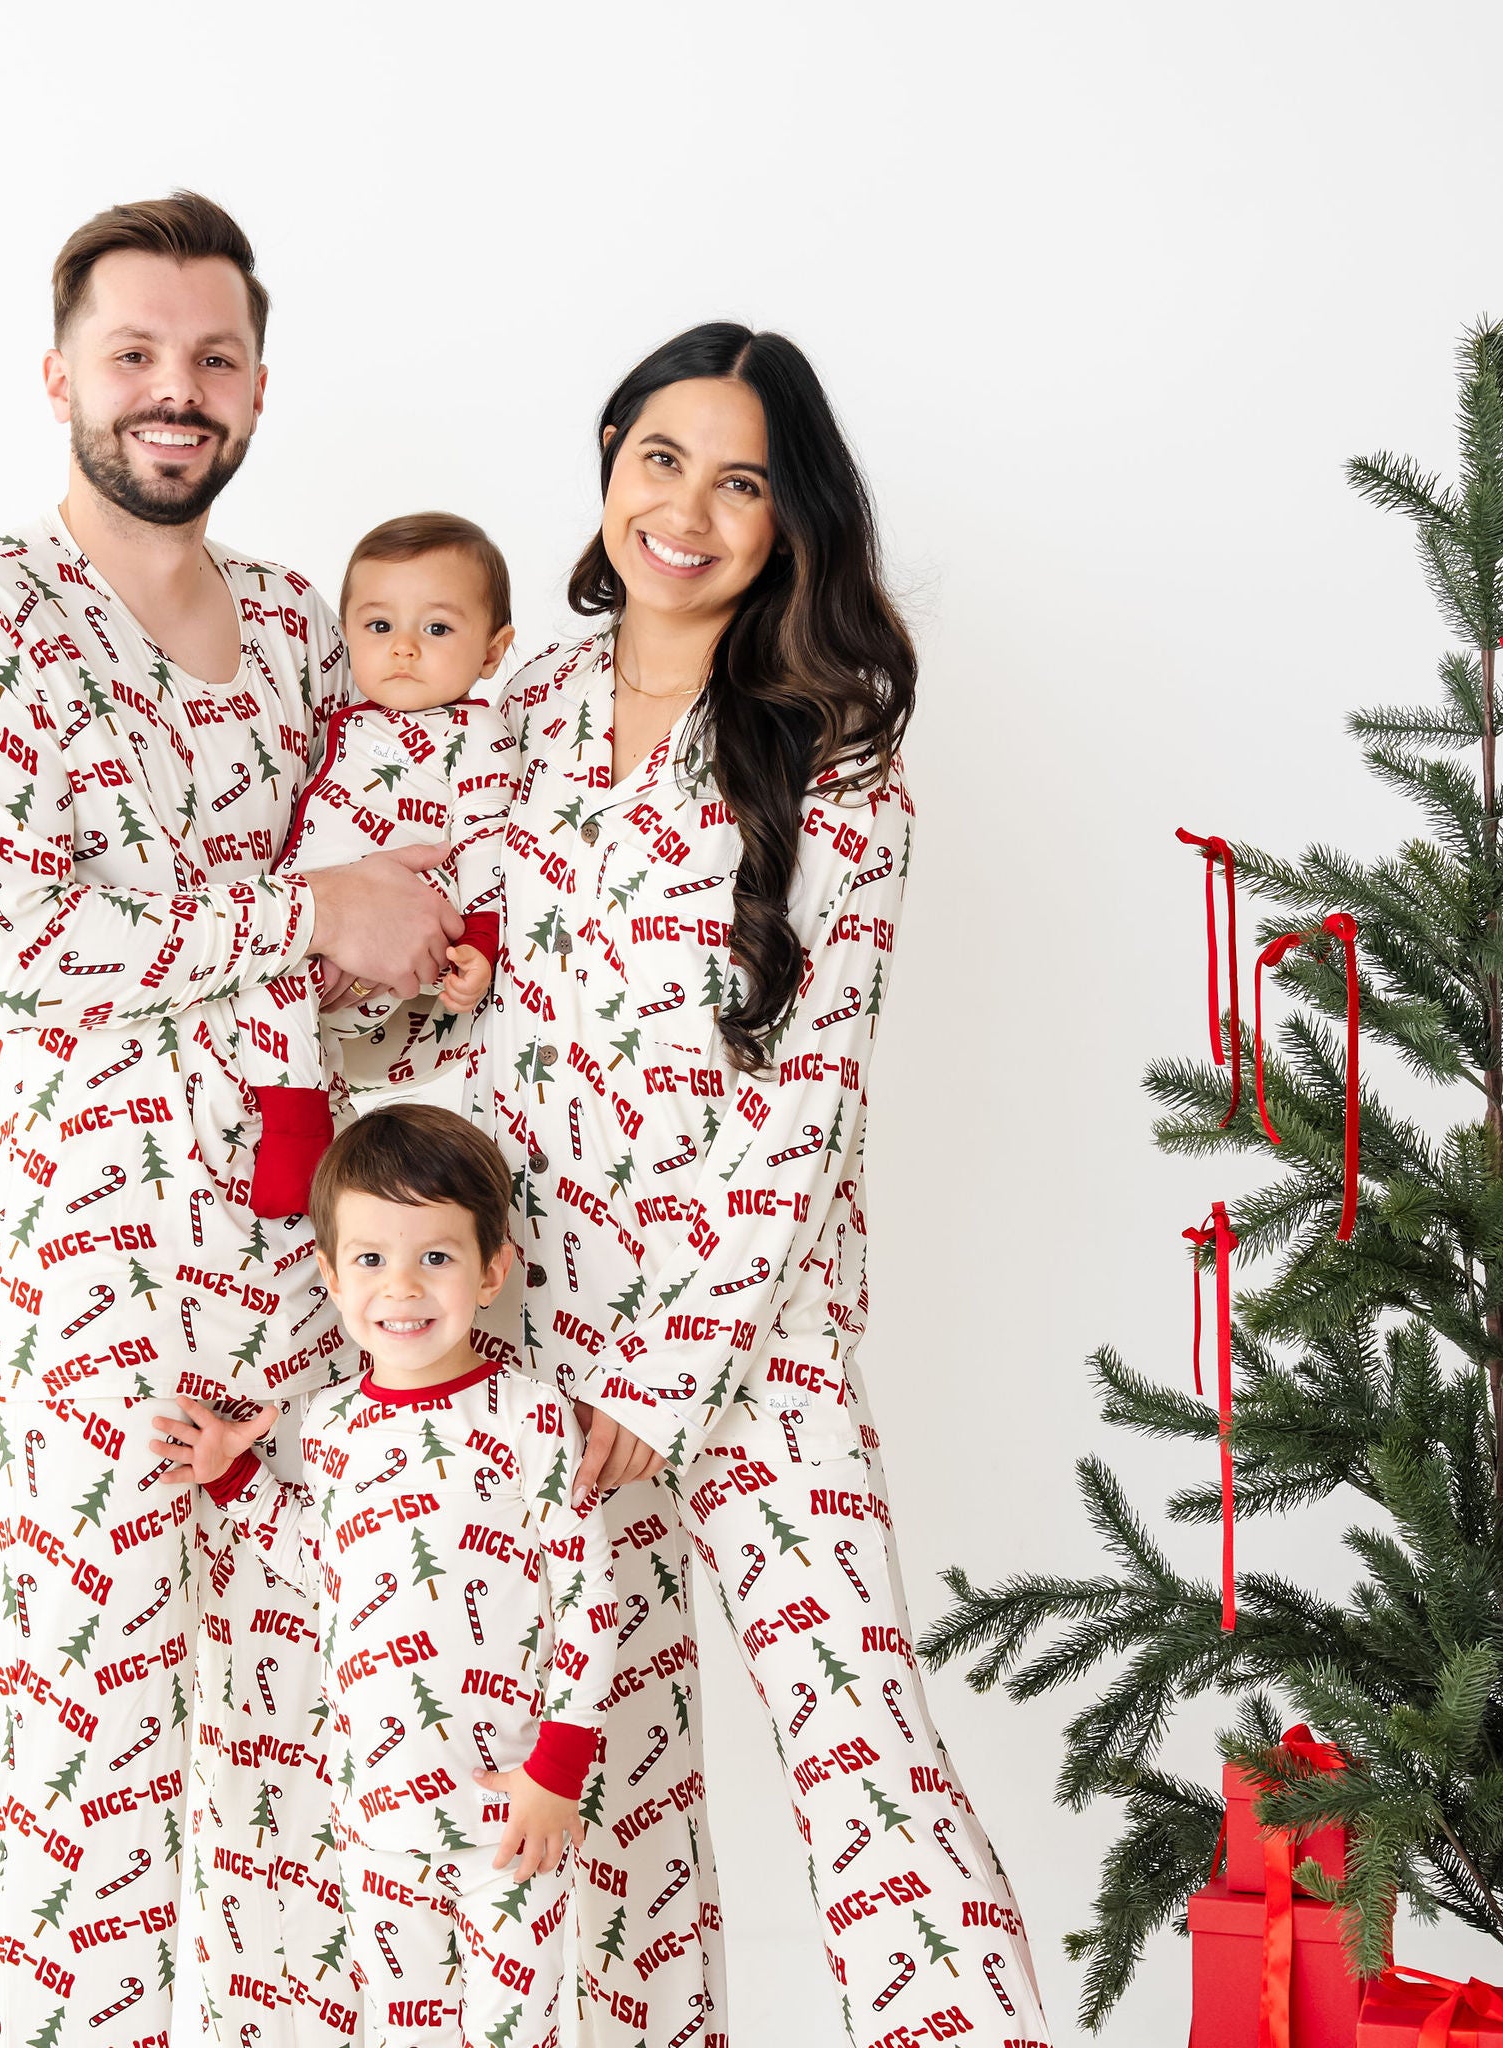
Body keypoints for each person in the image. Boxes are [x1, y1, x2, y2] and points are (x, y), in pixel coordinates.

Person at [0, 191, 466, 2048]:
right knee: (79, 1779)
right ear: (60, 374)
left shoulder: (310, 633)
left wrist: (415, 966)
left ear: (260, 391)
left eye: (211, 357)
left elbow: (366, 946)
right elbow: (23, 932)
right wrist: (313, 915)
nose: (173, 389)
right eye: (134, 352)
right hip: (94, 1298)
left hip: (320, 1291)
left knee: (316, 1774)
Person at [461, 324, 1056, 2043]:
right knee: (608, 1775)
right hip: (531, 1327)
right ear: (604, 456)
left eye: (741, 482)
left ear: (787, 522)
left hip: (741, 1344)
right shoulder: (527, 703)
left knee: (856, 1744)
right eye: (662, 458)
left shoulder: (835, 758)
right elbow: (469, 980)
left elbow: (803, 1106)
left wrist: (665, 1375)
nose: (690, 510)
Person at [150, 1103, 616, 2048]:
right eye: (369, 1259)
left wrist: (557, 1771)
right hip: (377, 1813)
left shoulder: (530, 1418)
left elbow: (590, 1600)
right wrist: (235, 1476)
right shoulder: (326, 1430)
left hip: (510, 1807)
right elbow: (320, 1564)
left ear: (492, 1271)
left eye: (435, 1257)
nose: (400, 1286)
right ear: (328, 1275)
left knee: (515, 2033)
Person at [235, 514, 519, 1219]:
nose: (404, 650)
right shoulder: (348, 718)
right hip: (308, 925)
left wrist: (479, 943)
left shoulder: (476, 734)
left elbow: (488, 840)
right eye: (380, 626)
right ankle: (302, 1129)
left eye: (438, 629)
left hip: (403, 931)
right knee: (264, 974)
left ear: (493, 650)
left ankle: (302, 1137)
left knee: (282, 980)